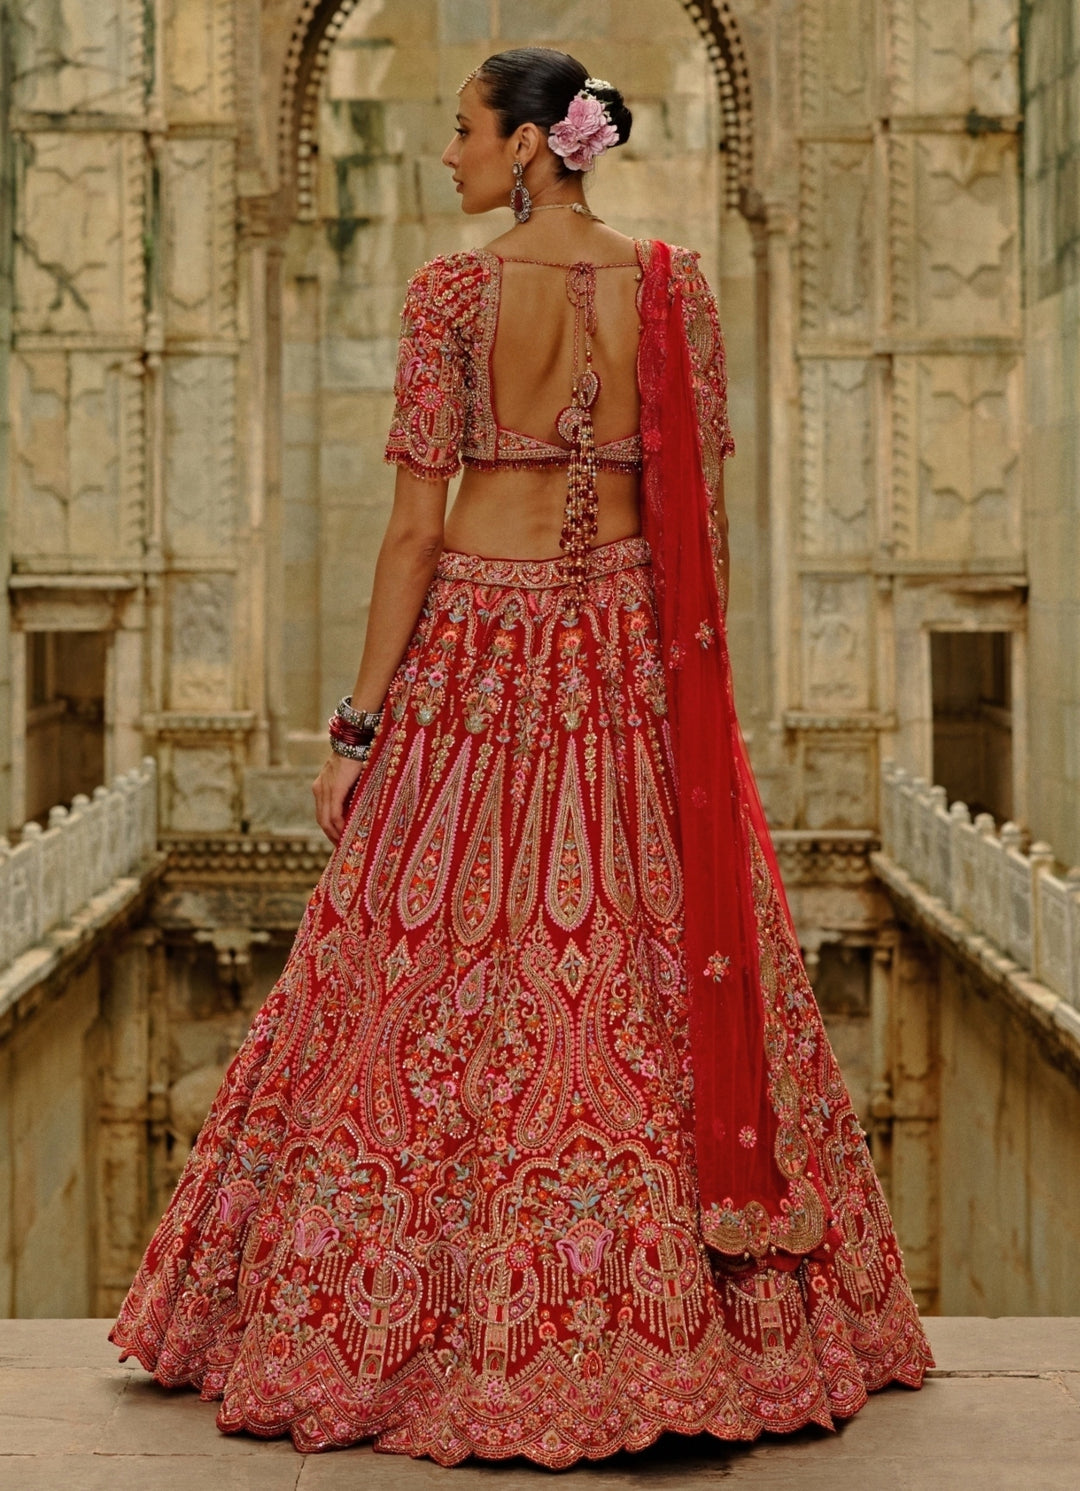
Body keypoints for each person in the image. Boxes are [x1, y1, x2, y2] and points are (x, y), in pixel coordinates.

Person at [109, 47, 933, 1468]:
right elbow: (706, 528)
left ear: (534, 147)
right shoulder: (671, 287)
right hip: (628, 663)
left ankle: (419, 1318)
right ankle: (682, 1320)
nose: (449, 154)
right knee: (634, 966)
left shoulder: (452, 292)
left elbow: (416, 533)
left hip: (475, 671)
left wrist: (358, 725)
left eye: (464, 129)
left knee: (423, 977)